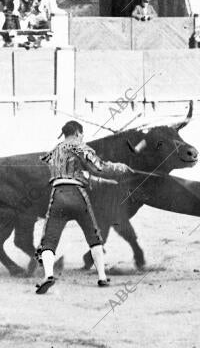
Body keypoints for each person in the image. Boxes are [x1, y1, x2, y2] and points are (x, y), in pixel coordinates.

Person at [34, 121, 133, 294]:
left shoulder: (54, 151)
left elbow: (77, 173)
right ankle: (102, 277)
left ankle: (48, 276)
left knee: (49, 240)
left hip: (57, 195)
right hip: (78, 195)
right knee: (93, 235)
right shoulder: (80, 146)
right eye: (82, 134)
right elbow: (98, 167)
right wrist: (120, 167)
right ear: (78, 132)